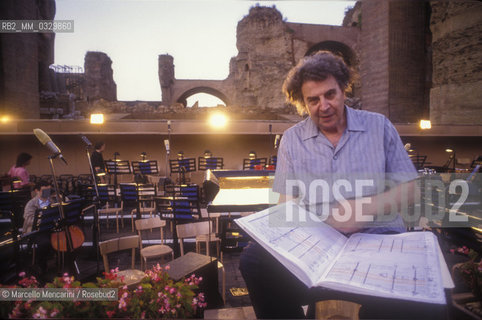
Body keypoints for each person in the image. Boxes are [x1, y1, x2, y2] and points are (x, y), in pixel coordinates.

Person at [239, 51, 421, 319]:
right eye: (313, 100)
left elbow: (412, 188)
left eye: (330, 95)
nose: (323, 106)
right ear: (302, 102)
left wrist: (365, 209)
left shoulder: (379, 126)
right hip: (318, 246)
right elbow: (286, 206)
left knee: (417, 293)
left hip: (378, 239)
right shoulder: (291, 139)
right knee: (254, 261)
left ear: (344, 90)